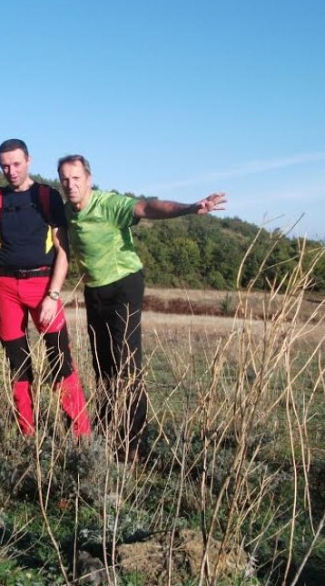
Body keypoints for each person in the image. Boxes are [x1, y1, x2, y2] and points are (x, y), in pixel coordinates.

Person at [57, 153, 226, 455]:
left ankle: (134, 446)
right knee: (102, 363)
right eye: (65, 180)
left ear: (89, 179)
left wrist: (189, 208)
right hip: (94, 290)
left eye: (76, 178)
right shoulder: (68, 211)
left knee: (126, 363)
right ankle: (109, 435)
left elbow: (147, 207)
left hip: (124, 286)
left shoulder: (108, 203)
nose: (71, 185)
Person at [0, 139, 91, 439]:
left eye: (16, 164)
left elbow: (63, 250)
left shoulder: (47, 196)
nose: (11, 170)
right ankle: (27, 435)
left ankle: (81, 436)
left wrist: (53, 295)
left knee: (60, 359)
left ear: (29, 161)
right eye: (5, 165)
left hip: (42, 285)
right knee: (17, 362)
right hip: (5, 287)